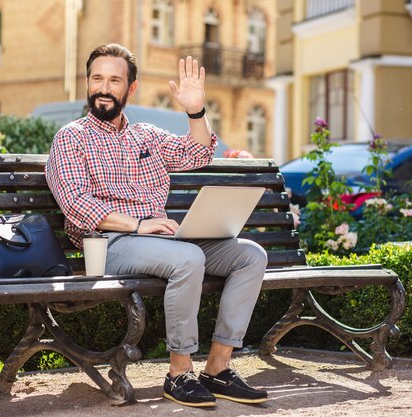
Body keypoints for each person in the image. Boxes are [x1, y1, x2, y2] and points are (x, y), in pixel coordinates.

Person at [45, 43, 268, 408]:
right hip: (110, 244)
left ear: (130, 88)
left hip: (164, 240)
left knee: (250, 256)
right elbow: (75, 204)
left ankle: (217, 368)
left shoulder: (147, 136)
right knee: (188, 259)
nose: (103, 87)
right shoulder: (71, 137)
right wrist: (138, 225)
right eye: (97, 78)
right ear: (87, 82)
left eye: (114, 80)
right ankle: (179, 373)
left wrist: (196, 110)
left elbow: (197, 153)